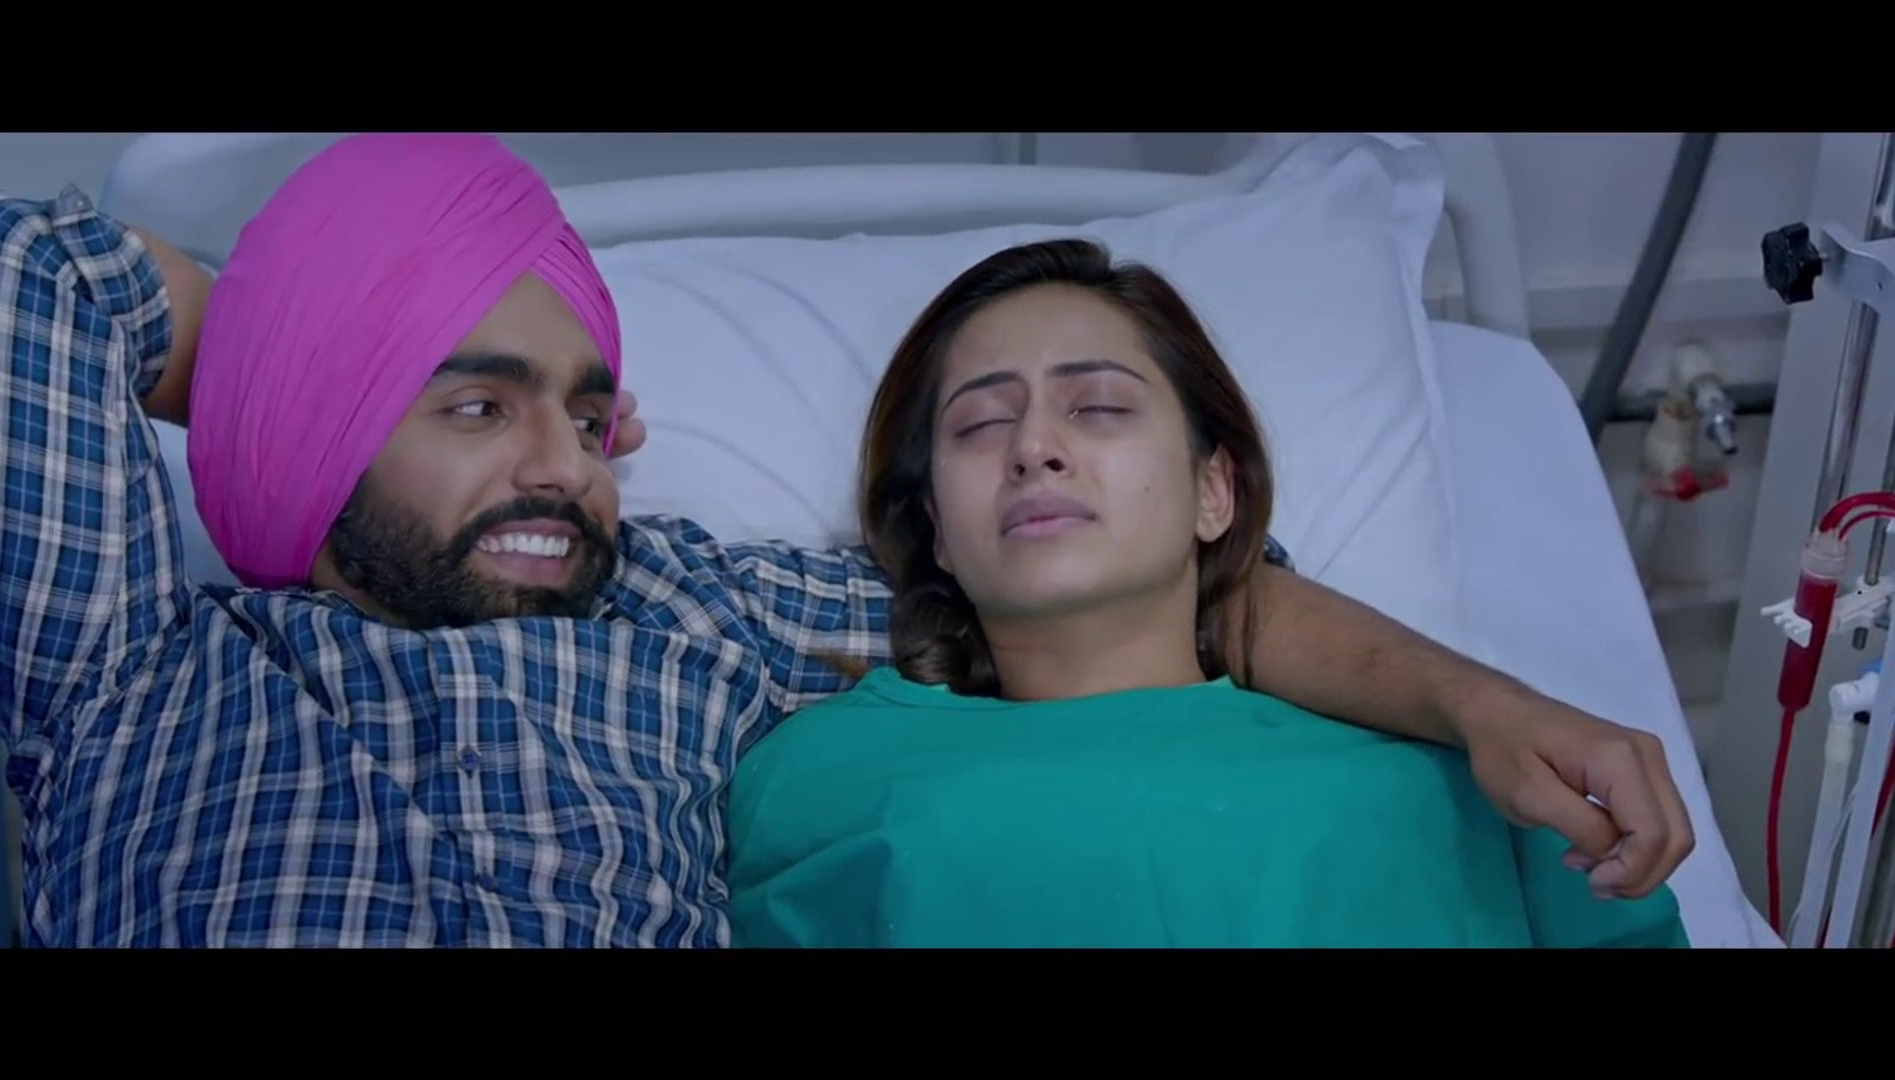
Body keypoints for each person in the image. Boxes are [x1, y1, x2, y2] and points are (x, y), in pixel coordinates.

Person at [0, 132, 1691, 948]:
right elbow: (21, 270)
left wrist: (1481, 704)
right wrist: (303, 352)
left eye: (592, 415)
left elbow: (1124, 593)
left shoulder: (687, 618)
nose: (565, 466)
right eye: (478, 404)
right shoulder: (127, 664)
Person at [722, 239, 1691, 948]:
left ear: (1215, 491)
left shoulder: (1479, 768)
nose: (1035, 446)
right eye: (980, 425)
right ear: (937, 525)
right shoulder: (819, 774)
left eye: (1100, 407)